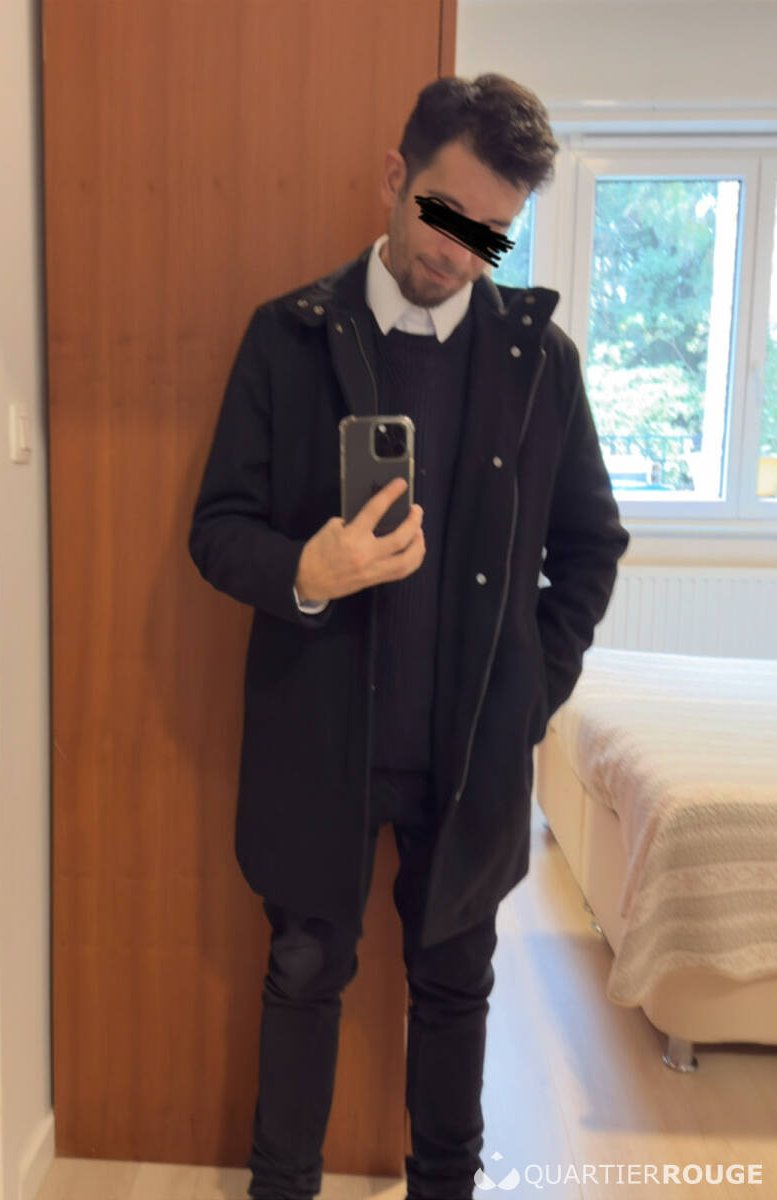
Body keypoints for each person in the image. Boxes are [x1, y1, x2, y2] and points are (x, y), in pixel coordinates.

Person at [188, 73, 629, 1200]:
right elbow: (216, 530)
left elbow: (589, 548)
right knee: (302, 976)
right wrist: (305, 570)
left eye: (492, 231)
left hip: (467, 751)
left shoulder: (539, 363)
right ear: (396, 176)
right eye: (445, 213)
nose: (461, 250)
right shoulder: (287, 337)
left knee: (455, 990)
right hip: (318, 739)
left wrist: (529, 691)